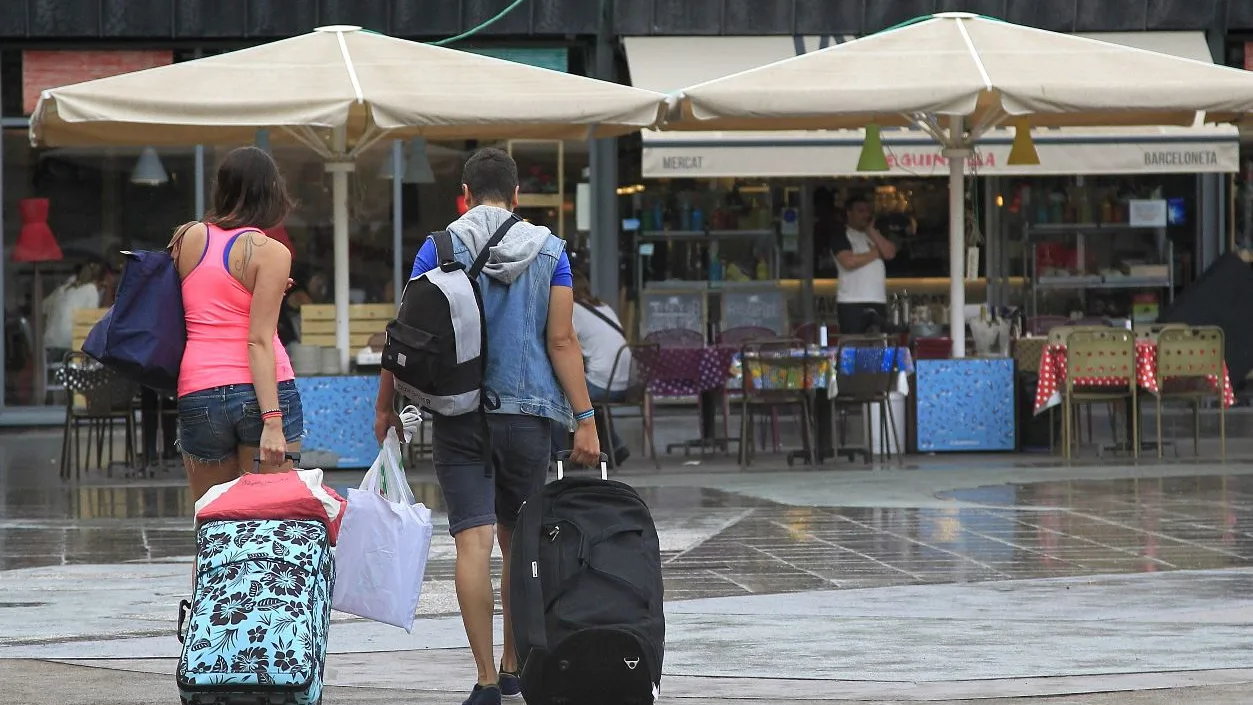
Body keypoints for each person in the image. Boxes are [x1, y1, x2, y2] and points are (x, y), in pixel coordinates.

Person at [374, 147, 600, 705]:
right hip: (527, 418)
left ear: (465, 195)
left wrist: (385, 407)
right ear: (517, 194)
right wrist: (586, 419)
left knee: (472, 543)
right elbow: (562, 340)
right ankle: (514, 661)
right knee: (519, 541)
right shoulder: (551, 250)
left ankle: (485, 679)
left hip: (457, 414)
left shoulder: (438, 246)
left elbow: (407, 335)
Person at [170, 146, 302, 500]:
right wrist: (272, 420)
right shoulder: (272, 252)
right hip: (261, 391)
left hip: (199, 389)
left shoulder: (188, 238)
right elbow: (257, 339)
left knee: (210, 525)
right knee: (268, 521)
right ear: (271, 192)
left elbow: (204, 300)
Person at [551, 269, 631, 465]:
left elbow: (562, 344)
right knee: (584, 396)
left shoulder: (572, 309)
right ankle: (615, 447)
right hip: (623, 384)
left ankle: (560, 454)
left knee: (555, 389)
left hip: (602, 385)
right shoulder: (604, 307)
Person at [832, 194, 897, 335]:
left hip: (877, 299)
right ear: (849, 213)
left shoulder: (875, 236)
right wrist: (876, 253)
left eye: (868, 211)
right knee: (853, 345)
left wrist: (871, 231)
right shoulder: (841, 235)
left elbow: (890, 253)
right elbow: (848, 262)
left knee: (878, 345)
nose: (865, 215)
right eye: (860, 211)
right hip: (851, 303)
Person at [42, 262, 101, 366]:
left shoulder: (62, 289)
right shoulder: (91, 290)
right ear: (98, 280)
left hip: (48, 347)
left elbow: (42, 308)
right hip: (70, 348)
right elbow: (89, 323)